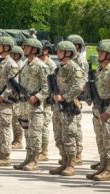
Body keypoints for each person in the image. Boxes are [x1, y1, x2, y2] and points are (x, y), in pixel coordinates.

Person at [85, 39, 110, 181]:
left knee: (109, 141)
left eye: (101, 52)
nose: (98, 54)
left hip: (107, 110)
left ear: (109, 55)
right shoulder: (100, 69)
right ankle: (102, 166)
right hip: (98, 110)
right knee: (100, 140)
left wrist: (109, 112)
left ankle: (109, 170)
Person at [48, 41, 84, 176]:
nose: (57, 53)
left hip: (68, 108)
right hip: (58, 109)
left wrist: (64, 97)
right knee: (59, 137)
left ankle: (71, 165)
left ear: (68, 53)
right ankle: (64, 162)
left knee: (69, 137)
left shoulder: (74, 68)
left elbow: (79, 86)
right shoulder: (59, 68)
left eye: (60, 51)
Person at [13, 39, 49, 171]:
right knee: (27, 133)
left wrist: (37, 97)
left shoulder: (41, 66)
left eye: (27, 47)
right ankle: (28, 158)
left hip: (35, 106)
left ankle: (34, 160)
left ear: (34, 49)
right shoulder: (25, 65)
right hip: (24, 105)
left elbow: (47, 87)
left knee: (35, 134)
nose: (24, 48)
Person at [0, 37, 21, 167]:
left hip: (5, 102)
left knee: (4, 129)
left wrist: (1, 97)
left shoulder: (11, 64)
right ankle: (0, 154)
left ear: (7, 47)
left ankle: (5, 156)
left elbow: (13, 85)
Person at [66, 34, 87, 165]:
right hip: (67, 95)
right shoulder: (68, 61)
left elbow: (82, 81)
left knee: (76, 127)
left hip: (75, 97)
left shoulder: (80, 62)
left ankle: (78, 154)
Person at [38, 42, 57, 161]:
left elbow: (54, 85)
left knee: (44, 126)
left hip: (46, 101)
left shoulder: (51, 65)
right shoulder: (38, 63)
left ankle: (44, 152)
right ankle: (38, 149)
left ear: (45, 51)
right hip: (37, 100)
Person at [10, 46, 26, 150]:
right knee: (13, 119)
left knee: (17, 119)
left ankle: (18, 140)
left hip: (19, 97)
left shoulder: (21, 65)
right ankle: (15, 139)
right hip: (12, 96)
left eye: (14, 54)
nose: (12, 56)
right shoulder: (13, 65)